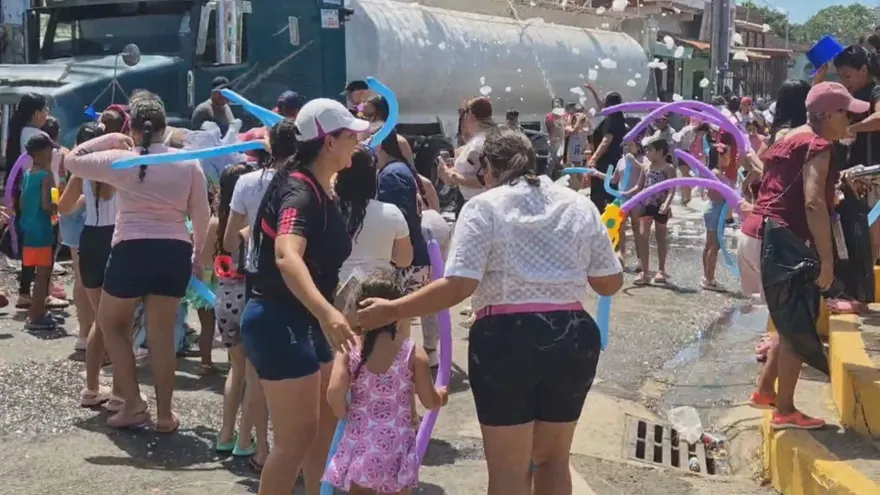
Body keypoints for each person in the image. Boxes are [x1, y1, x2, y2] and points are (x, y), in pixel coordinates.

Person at [357, 126, 622, 495]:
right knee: (554, 460)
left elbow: (459, 286)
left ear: (488, 169)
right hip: (572, 336)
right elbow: (609, 283)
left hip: (506, 339)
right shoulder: (577, 204)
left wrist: (393, 308)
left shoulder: (484, 207)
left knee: (509, 472)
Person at [64, 92, 211, 433]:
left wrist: (112, 137)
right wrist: (196, 253)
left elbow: (72, 161)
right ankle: (164, 415)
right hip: (174, 249)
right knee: (161, 335)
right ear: (164, 127)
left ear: (134, 127)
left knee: (112, 325)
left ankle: (131, 402)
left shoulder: (121, 160)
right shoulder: (189, 162)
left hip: (131, 249)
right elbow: (201, 213)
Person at [240, 98, 363, 495]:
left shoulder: (316, 186)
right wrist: (327, 313)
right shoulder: (300, 193)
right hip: (279, 320)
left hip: (303, 320)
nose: (357, 143)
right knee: (295, 440)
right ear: (328, 142)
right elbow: (286, 257)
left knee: (325, 424)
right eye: (350, 136)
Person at [745, 82, 863, 430]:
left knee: (788, 322)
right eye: (846, 113)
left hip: (763, 233)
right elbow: (812, 201)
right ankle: (785, 410)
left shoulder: (789, 136)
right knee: (798, 327)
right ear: (827, 115)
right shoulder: (820, 144)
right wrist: (827, 261)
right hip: (789, 242)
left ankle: (766, 391)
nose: (850, 122)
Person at [322, 273, 448, 494]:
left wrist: (347, 416)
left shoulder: (350, 348)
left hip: (361, 442)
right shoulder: (413, 353)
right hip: (397, 447)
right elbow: (429, 401)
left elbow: (334, 392)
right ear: (398, 313)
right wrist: (441, 396)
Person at [60, 122, 124, 408]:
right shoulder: (120, 168)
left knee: (101, 319)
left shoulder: (82, 171)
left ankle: (91, 388)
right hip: (115, 239)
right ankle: (121, 394)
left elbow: (63, 207)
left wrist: (86, 198)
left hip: (89, 240)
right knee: (118, 322)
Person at [214, 163, 267, 468]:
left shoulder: (217, 223)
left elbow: (207, 263)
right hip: (249, 295)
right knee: (253, 376)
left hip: (224, 299)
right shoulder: (254, 224)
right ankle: (246, 439)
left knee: (235, 369)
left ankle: (224, 434)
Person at [375, 130, 437, 368]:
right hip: (412, 256)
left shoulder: (391, 174)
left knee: (397, 324)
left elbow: (397, 218)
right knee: (401, 322)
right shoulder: (400, 170)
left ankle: (400, 374)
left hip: (405, 259)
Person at [5, 93, 67, 311]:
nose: (47, 114)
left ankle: (24, 294)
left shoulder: (19, 134)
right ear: (37, 112)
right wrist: (55, 208)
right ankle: (41, 301)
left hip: (27, 202)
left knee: (28, 252)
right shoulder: (39, 143)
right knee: (45, 257)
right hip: (42, 210)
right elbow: (49, 199)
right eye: (45, 110)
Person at [335, 146, 413, 282]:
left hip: (335, 290)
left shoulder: (327, 210)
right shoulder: (392, 213)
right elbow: (404, 260)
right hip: (378, 290)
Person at [19, 134, 58, 330]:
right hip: (42, 230)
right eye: (50, 149)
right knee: (43, 274)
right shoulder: (45, 176)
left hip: (28, 229)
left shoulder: (27, 174)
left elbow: (22, 202)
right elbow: (46, 203)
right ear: (43, 153)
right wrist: (55, 206)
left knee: (33, 269)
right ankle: (36, 314)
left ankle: (36, 310)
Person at [437, 96, 496, 210]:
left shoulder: (478, 145)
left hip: (478, 204)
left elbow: (483, 181)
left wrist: (452, 175)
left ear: (472, 117)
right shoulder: (486, 138)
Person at [634, 139, 676, 285]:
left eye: (649, 150)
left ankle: (661, 269)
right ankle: (645, 271)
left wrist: (667, 203)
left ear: (659, 151)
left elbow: (672, 188)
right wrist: (624, 195)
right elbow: (639, 186)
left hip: (660, 205)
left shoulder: (668, 168)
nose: (646, 153)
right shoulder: (646, 167)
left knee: (661, 237)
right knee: (642, 235)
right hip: (645, 204)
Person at [587, 89, 626, 212]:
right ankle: (612, 219)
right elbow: (601, 107)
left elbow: (606, 141)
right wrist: (593, 92)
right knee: (611, 192)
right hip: (614, 159)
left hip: (606, 162)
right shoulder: (618, 117)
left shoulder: (611, 120)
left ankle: (602, 220)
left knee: (601, 194)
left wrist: (593, 158)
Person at [701, 143, 734, 292]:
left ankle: (707, 277)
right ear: (721, 156)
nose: (730, 158)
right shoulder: (717, 174)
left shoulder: (714, 172)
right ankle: (709, 279)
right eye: (728, 155)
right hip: (715, 210)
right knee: (714, 245)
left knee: (710, 244)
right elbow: (714, 193)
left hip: (714, 210)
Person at [613, 141, 645, 263]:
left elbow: (646, 170)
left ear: (637, 146)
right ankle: (622, 253)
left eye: (631, 144)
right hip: (623, 199)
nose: (627, 147)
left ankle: (641, 258)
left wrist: (634, 161)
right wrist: (597, 174)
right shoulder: (621, 161)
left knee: (637, 228)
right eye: (625, 145)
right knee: (620, 226)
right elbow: (614, 179)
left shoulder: (642, 159)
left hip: (637, 198)